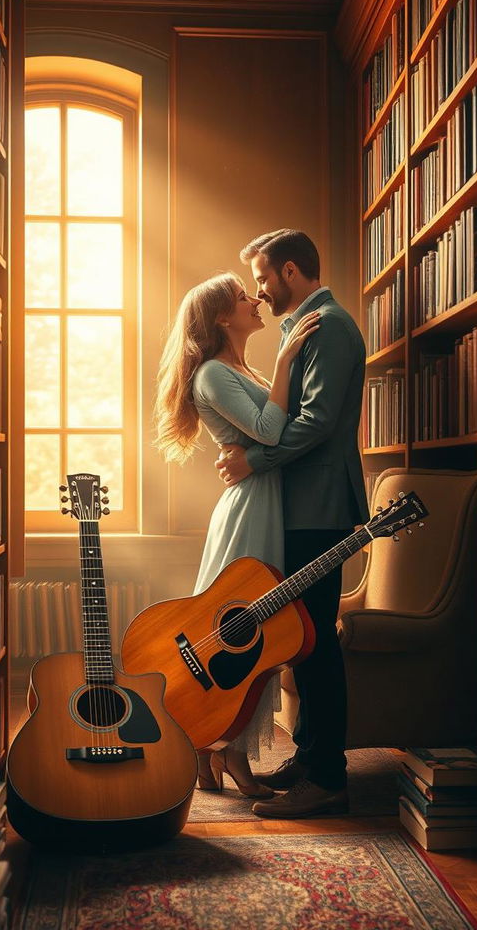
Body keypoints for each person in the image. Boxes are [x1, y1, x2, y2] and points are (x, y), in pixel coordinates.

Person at [216, 228, 369, 819]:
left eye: (261, 278)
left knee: (316, 645)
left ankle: (329, 777)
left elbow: (317, 423)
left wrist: (252, 460)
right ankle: (309, 759)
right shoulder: (302, 327)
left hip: (320, 507)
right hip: (302, 506)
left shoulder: (327, 326)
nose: (258, 291)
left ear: (288, 272)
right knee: (302, 642)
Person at [154, 270, 320, 797]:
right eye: (243, 296)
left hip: (261, 500)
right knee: (250, 636)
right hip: (251, 510)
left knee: (253, 633)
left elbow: (273, 429)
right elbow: (271, 430)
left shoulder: (235, 367)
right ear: (223, 316)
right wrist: (287, 359)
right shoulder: (213, 374)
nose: (255, 300)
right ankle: (232, 753)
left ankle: (212, 754)